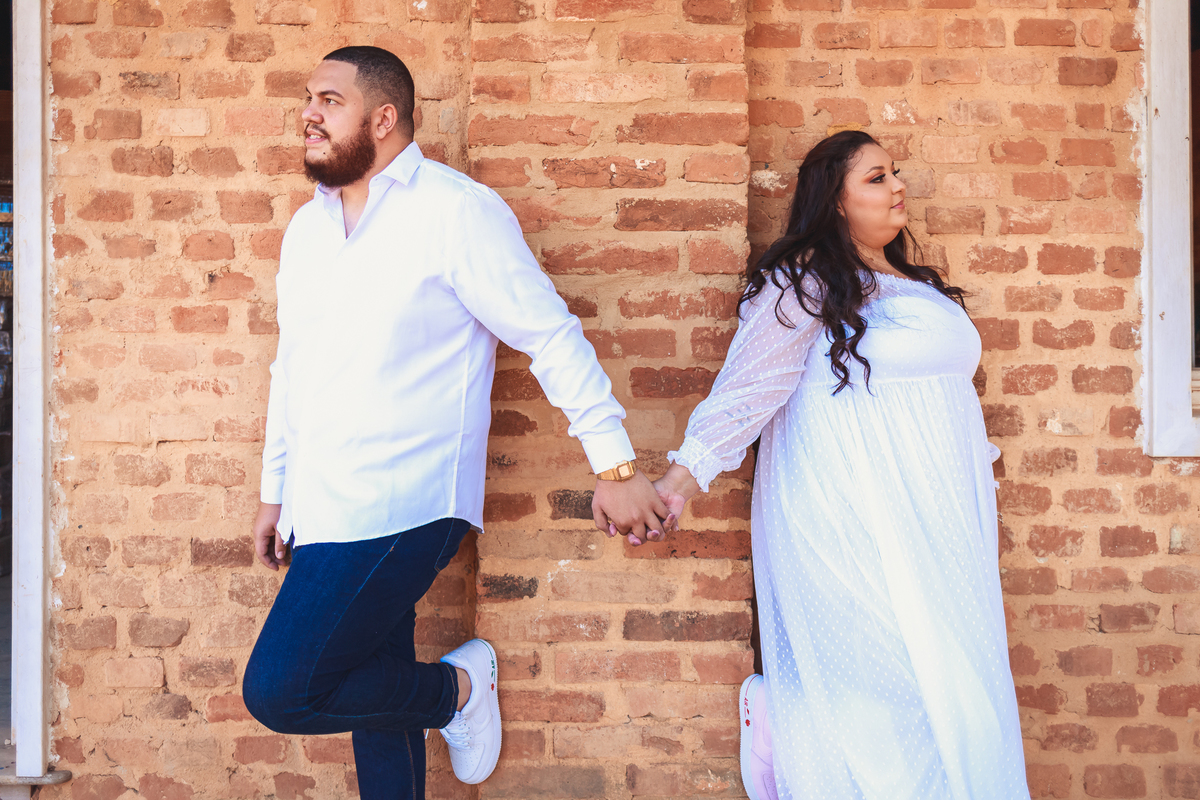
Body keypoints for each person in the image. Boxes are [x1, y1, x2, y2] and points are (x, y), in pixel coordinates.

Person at [241, 46, 671, 800]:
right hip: (325, 504)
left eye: (330, 101)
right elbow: (293, 368)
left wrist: (615, 466)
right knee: (373, 686)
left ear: (384, 118)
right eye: (309, 98)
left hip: (407, 501)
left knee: (283, 690)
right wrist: (278, 491)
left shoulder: (455, 211)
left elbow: (548, 334)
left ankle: (459, 693)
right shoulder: (307, 230)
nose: (309, 114)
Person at [651, 131, 1030, 800]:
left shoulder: (914, 286)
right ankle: (788, 722)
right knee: (889, 685)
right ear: (835, 200)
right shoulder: (806, 281)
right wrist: (680, 481)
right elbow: (750, 387)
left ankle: (791, 720)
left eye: (895, 172)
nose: (898, 185)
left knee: (957, 690)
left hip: (939, 525)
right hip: (849, 515)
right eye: (877, 177)